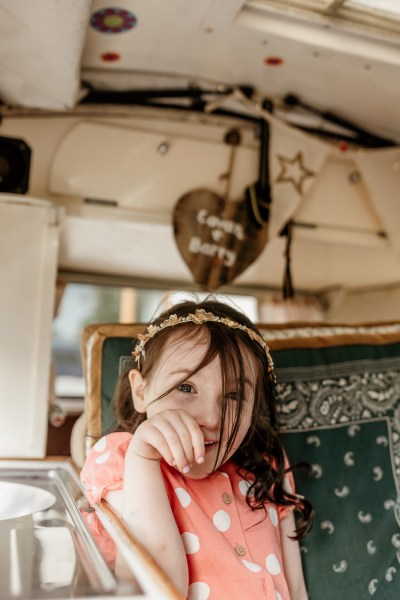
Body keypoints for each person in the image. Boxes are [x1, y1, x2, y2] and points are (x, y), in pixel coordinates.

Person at [81, 298, 313, 599]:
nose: (211, 418)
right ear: (140, 390)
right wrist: (144, 456)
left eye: (234, 395)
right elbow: (157, 589)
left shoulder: (267, 466)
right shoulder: (122, 459)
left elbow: (296, 590)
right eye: (186, 388)